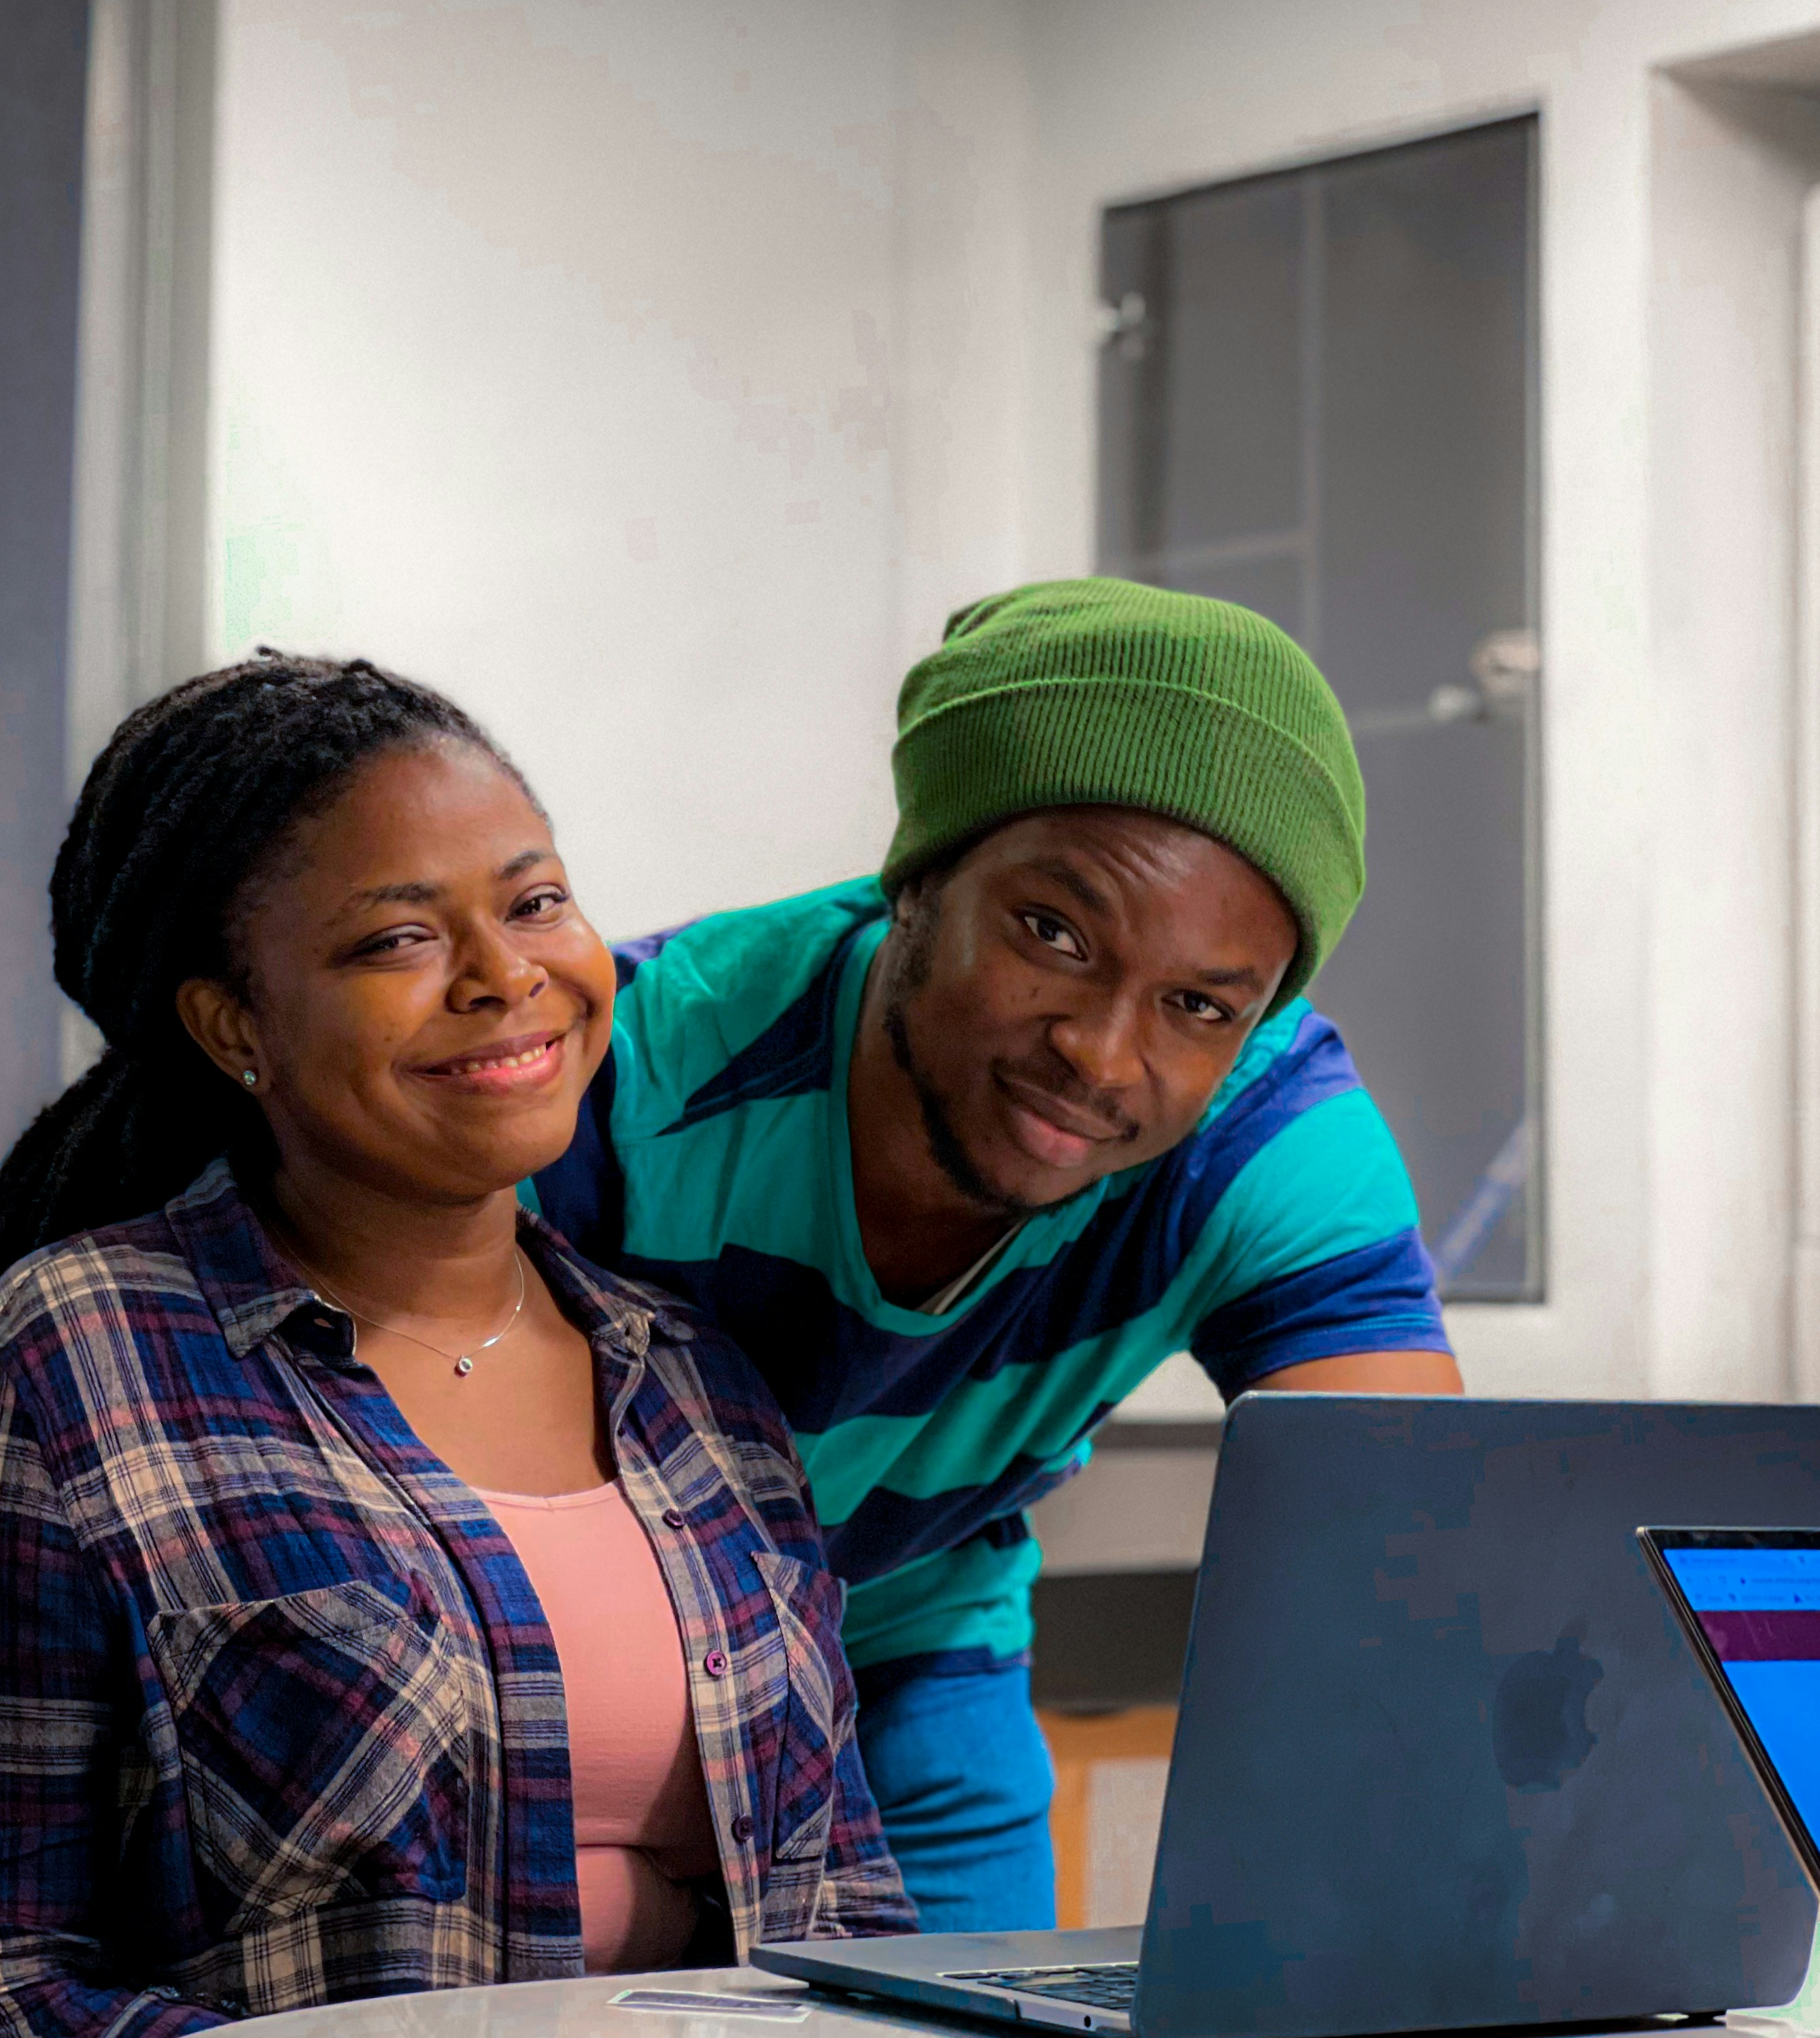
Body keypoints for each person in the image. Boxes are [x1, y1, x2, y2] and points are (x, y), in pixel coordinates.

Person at [532, 577, 1464, 1932]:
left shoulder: (1262, 1134)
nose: (1100, 1052)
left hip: (909, 1644)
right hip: (593, 1670)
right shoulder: (630, 1085)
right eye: (1051, 933)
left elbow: (1414, 1552)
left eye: (1200, 1003)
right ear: (916, 878)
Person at [0, 653, 911, 2034]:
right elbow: (16, 1971)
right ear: (232, 1024)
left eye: (536, 901)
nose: (506, 976)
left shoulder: (695, 1384)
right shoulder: (75, 1360)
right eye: (397, 941)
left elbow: (847, 1911)